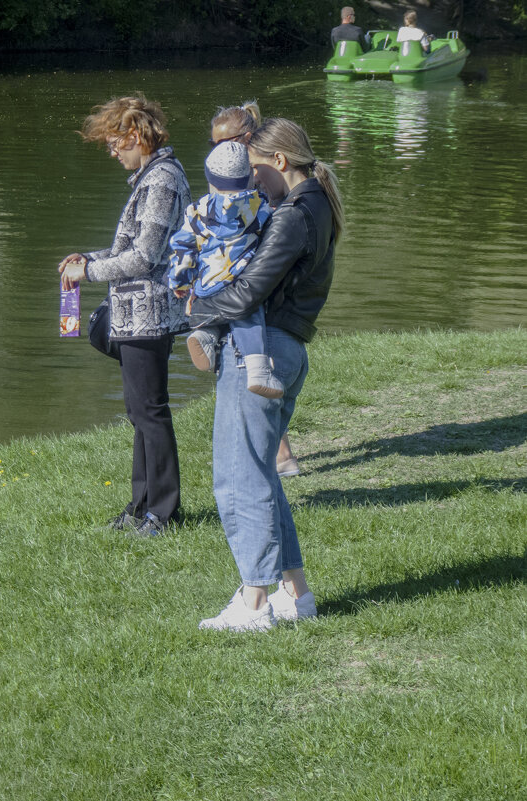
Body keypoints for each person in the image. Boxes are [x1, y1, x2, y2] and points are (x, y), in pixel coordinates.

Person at [189, 117, 345, 631]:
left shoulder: (293, 215)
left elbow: (249, 291)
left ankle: (254, 603)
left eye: (256, 170)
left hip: (262, 352)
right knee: (261, 475)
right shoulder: (314, 205)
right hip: (288, 349)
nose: (252, 182)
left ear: (279, 161)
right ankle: (295, 594)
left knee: (239, 477)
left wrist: (194, 305)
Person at [58, 96, 192, 536]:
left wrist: (88, 271)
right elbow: (126, 253)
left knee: (151, 412)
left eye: (115, 144)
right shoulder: (149, 178)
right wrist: (88, 257)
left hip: (148, 313)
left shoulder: (162, 180)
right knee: (138, 412)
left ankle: (165, 512)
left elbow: (146, 257)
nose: (112, 152)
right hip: (135, 313)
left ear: (136, 136)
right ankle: (140, 506)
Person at [209, 103, 300, 476]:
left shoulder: (263, 176)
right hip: (237, 278)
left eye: (226, 141)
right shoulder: (230, 169)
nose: (217, 149)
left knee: (253, 359)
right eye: (213, 143)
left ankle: (277, 455)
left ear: (246, 138)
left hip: (256, 284)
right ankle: (277, 454)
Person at [169, 141, 281, 398]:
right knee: (248, 315)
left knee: (215, 311)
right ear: (249, 177)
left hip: (207, 281)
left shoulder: (197, 211)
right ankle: (258, 369)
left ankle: (205, 337)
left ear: (210, 178)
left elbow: (183, 247)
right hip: (241, 277)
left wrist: (180, 282)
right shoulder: (259, 207)